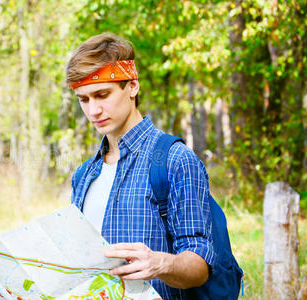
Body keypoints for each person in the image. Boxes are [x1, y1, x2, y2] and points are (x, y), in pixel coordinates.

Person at [68, 33, 215, 300]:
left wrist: (160, 263)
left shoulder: (175, 160)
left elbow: (200, 267)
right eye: (84, 99)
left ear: (132, 86)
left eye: (102, 94)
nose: (93, 111)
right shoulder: (84, 174)